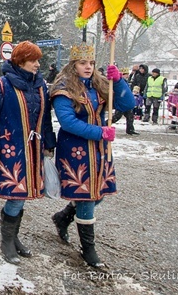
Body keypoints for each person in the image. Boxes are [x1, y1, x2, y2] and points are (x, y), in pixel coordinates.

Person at [49, 43, 135, 268]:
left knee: (98, 194)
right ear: (73, 64)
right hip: (76, 149)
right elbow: (67, 122)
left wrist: (119, 81)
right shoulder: (64, 87)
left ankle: (64, 217)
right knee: (87, 196)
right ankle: (88, 249)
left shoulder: (98, 84)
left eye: (91, 63)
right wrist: (100, 132)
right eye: (83, 63)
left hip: (100, 150)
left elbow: (127, 103)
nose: (88, 67)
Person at [0, 41, 56, 265]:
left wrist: (48, 142)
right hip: (10, 149)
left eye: (38, 60)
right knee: (16, 195)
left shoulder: (41, 85)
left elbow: (45, 119)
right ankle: (7, 241)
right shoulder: (2, 85)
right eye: (33, 60)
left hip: (33, 150)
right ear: (20, 61)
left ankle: (13, 238)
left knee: (22, 196)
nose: (37, 64)